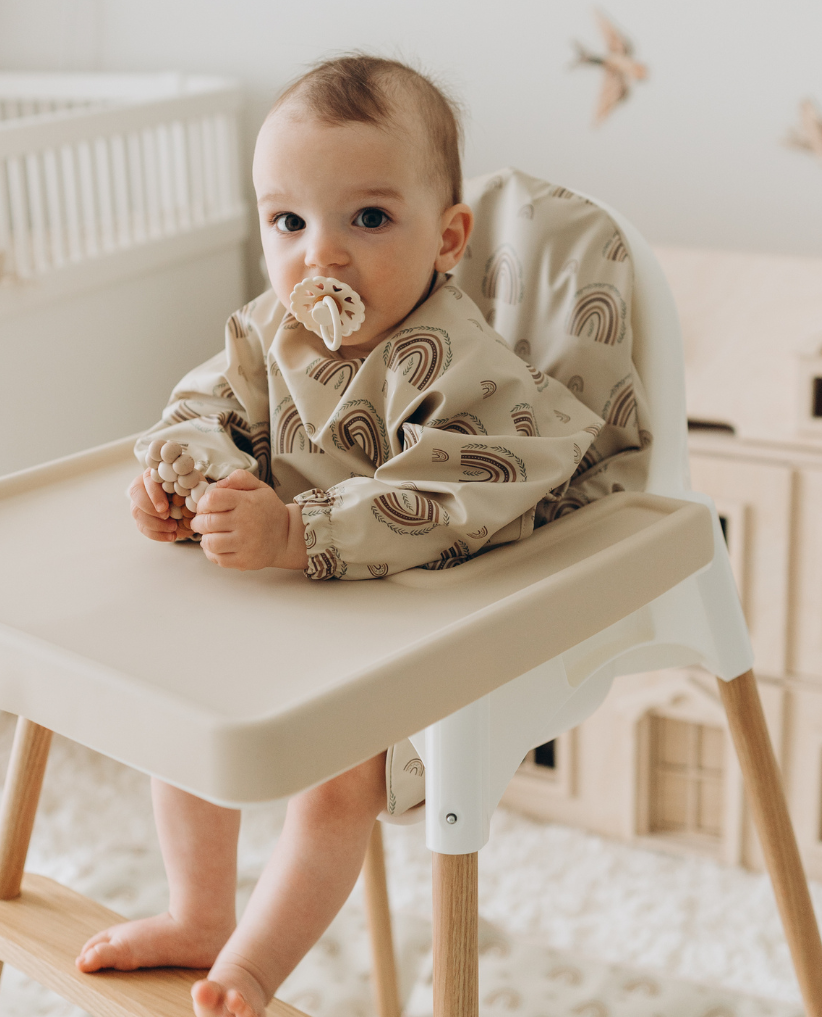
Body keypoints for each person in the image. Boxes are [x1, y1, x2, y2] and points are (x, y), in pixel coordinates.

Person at [75, 54, 607, 1017]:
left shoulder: (458, 362)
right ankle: (198, 912)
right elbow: (202, 405)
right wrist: (179, 477)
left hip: (409, 623)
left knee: (338, 776)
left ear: (447, 239)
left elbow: (459, 486)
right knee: (179, 710)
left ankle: (249, 966)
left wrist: (296, 529)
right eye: (289, 222)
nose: (320, 257)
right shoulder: (266, 332)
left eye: (367, 219)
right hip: (292, 610)